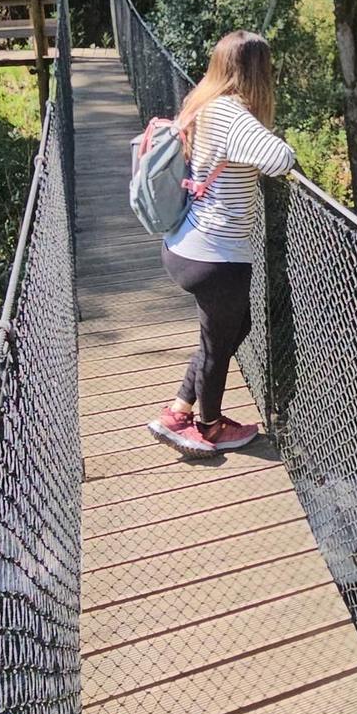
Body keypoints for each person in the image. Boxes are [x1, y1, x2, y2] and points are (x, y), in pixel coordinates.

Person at [148, 31, 297, 457]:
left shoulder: (203, 101)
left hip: (185, 243)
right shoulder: (233, 115)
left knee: (235, 328)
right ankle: (208, 427)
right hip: (215, 256)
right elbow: (280, 159)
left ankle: (179, 409)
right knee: (217, 345)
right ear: (256, 72)